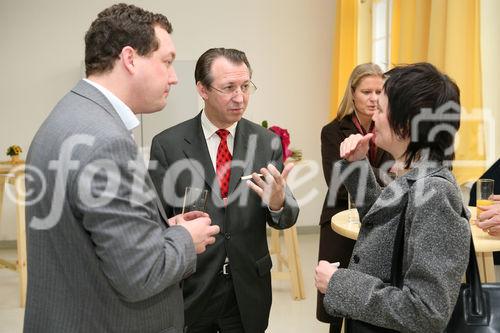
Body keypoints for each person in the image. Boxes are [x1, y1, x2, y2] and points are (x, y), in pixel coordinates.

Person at [24, 4, 219, 332]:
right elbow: (141, 273)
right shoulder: (105, 142)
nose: (174, 77)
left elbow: (93, 233)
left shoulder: (71, 114)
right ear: (130, 59)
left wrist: (159, 229)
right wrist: (186, 238)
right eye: (167, 62)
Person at [149, 48, 300, 333]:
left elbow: (286, 217)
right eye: (229, 87)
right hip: (193, 287)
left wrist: (278, 203)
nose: (240, 97)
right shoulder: (167, 145)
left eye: (245, 86)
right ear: (202, 89)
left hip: (247, 290)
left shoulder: (266, 142)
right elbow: (154, 223)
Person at [314, 63, 471, 332]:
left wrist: (340, 284)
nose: (373, 117)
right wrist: (356, 165)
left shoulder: (435, 194)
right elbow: (384, 225)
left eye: (382, 109)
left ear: (406, 126)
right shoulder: (417, 176)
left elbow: (425, 312)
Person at [316, 63, 393, 332]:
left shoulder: (390, 128)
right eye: (366, 91)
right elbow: (335, 182)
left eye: (379, 92)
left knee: (370, 296)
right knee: (336, 296)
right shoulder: (333, 131)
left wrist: (356, 167)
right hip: (339, 218)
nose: (373, 98)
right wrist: (378, 173)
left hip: (380, 220)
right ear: (352, 93)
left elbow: (395, 180)